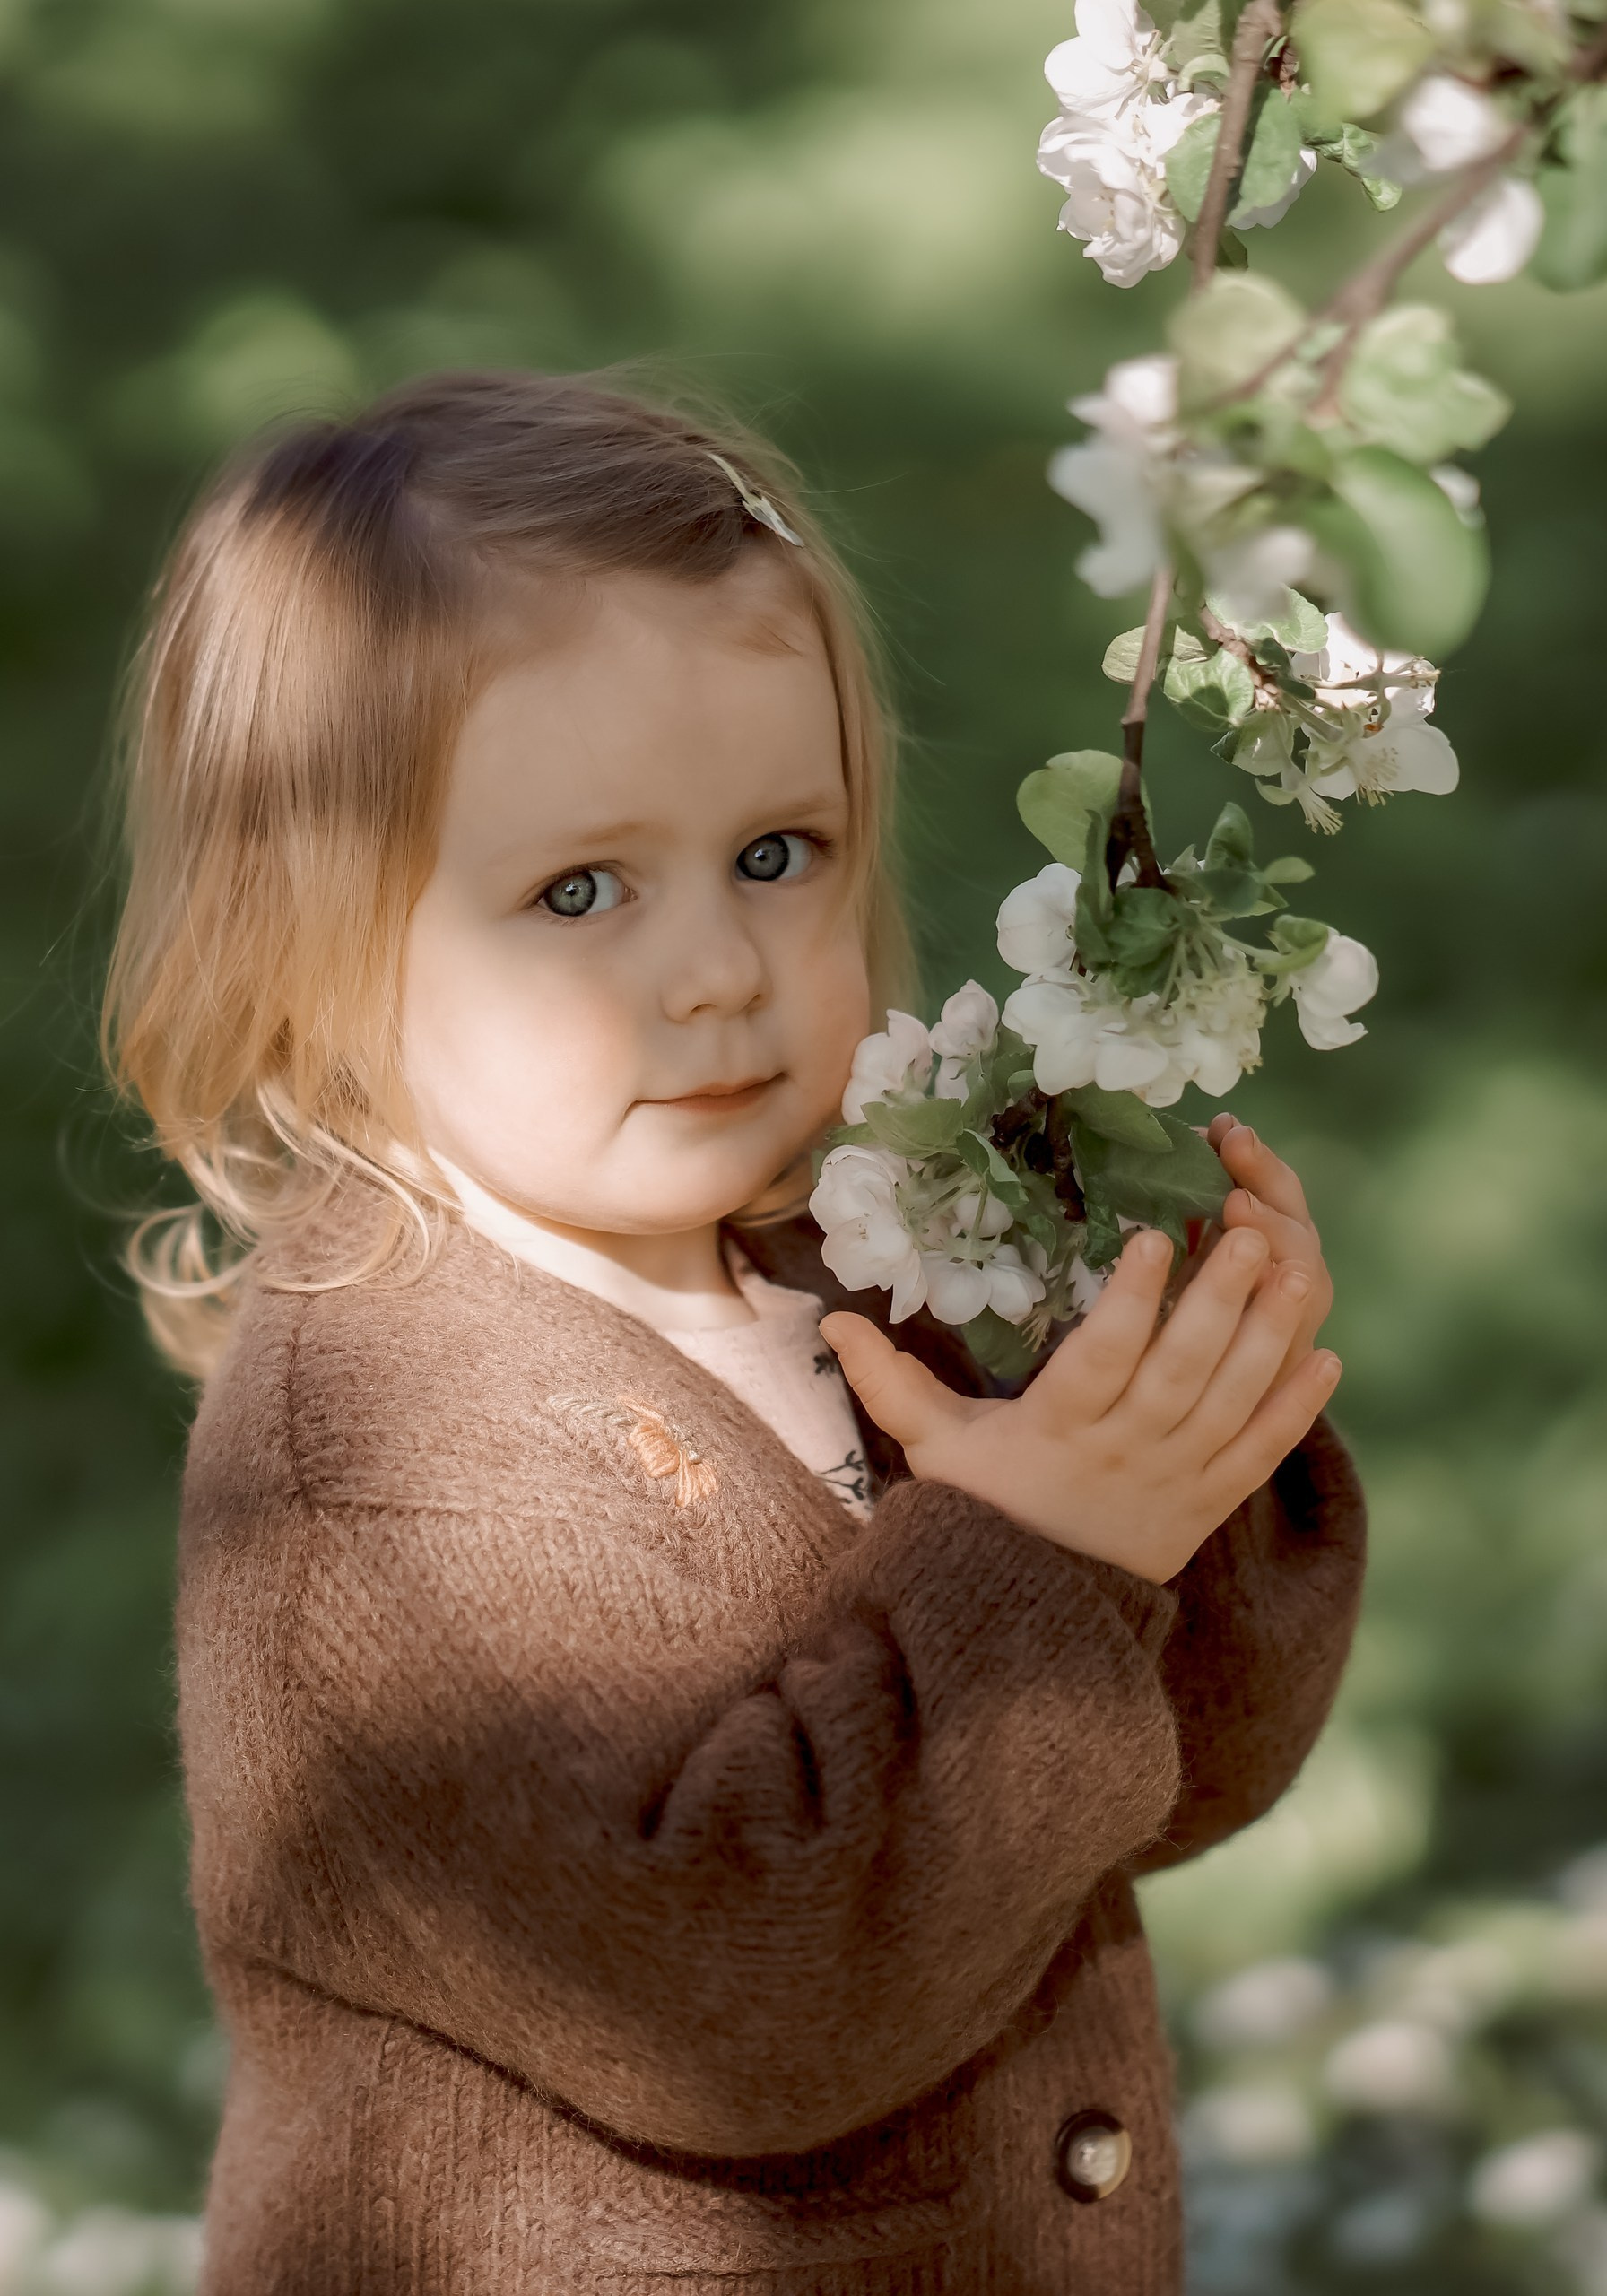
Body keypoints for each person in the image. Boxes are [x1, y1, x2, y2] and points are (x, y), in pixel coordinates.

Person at [101, 370, 1364, 2294]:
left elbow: (1162, 1772)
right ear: (310, 946)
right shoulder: (381, 1459)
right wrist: (1054, 1546)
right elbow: (739, 1997)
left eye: (777, 855)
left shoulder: (844, 1263)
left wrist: (1186, 1450)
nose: (710, 971)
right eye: (578, 890)